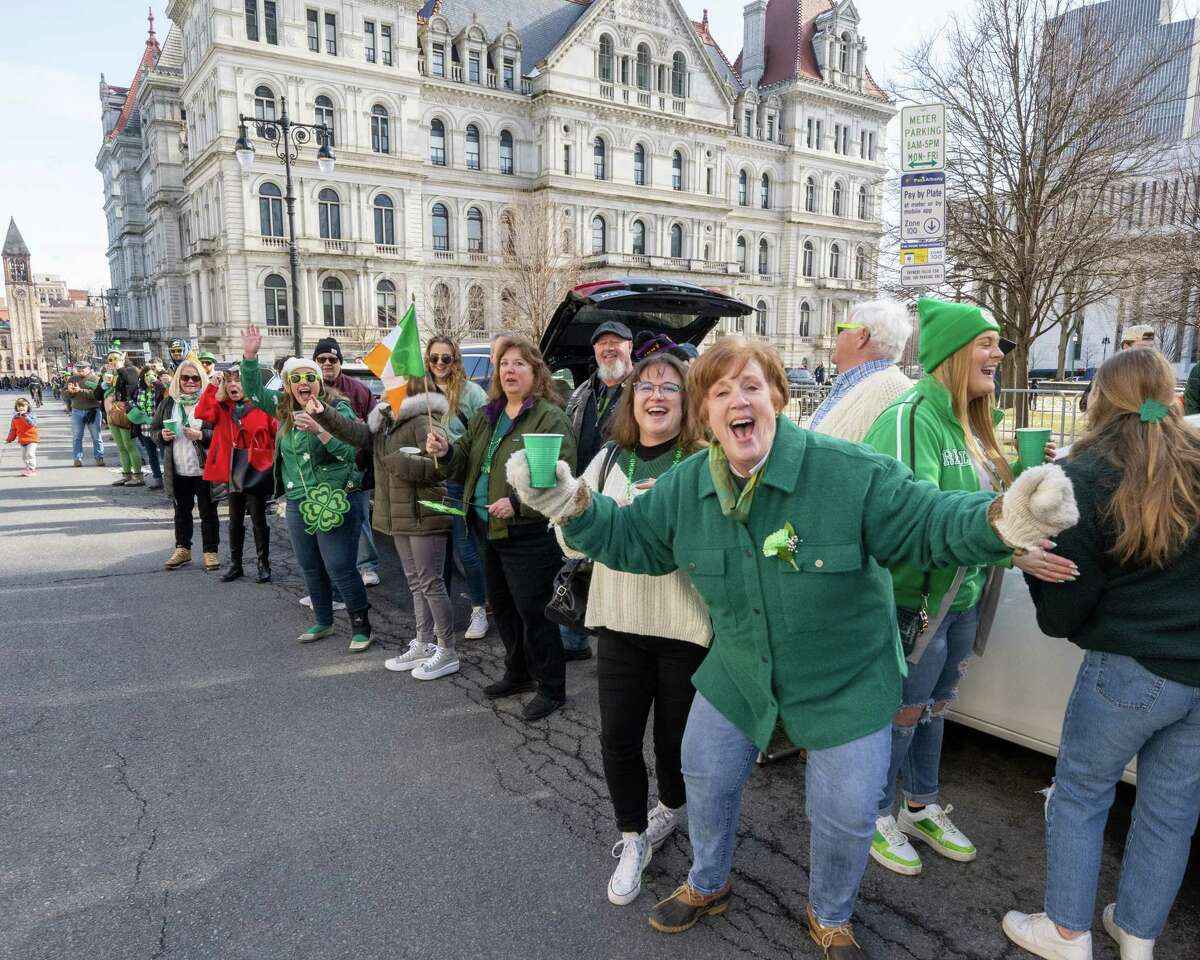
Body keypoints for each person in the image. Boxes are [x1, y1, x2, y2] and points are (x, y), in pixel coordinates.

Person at [504, 336, 1079, 959]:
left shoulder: (847, 471)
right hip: (740, 670)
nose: (737, 401)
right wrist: (570, 504)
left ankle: (831, 916)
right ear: (706, 415)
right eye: (720, 392)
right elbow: (633, 539)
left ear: (778, 397)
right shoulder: (687, 484)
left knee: (847, 813)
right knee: (703, 771)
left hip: (846, 682)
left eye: (751, 386)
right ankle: (708, 881)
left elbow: (927, 520)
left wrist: (1005, 518)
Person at [862, 298, 1073, 878]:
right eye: (986, 342)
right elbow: (913, 520)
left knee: (935, 707)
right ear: (952, 351)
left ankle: (920, 805)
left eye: (999, 342)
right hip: (916, 599)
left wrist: (1026, 478)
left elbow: (992, 504)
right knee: (904, 711)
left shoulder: (974, 421)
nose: (998, 353)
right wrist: (1011, 545)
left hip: (964, 597)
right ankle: (875, 812)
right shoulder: (910, 418)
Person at [1002, 348, 1200, 960]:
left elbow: (1064, 612)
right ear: (1171, 395)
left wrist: (1027, 564)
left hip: (1127, 671)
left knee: (1082, 796)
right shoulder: (1194, 461)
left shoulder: (1084, 478)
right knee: (1170, 812)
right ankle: (1138, 936)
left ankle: (1066, 932)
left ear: (1098, 398)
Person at [555, 351, 712, 906]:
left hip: (684, 630)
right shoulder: (606, 460)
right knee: (617, 740)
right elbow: (573, 544)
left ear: (686, 401)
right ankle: (632, 837)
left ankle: (669, 808)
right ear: (632, 398)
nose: (656, 396)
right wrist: (562, 506)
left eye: (671, 388)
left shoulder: (702, 461)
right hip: (619, 624)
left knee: (675, 746)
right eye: (646, 386)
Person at [425, 334, 578, 721]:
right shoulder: (489, 414)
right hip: (486, 526)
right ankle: (519, 673)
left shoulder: (548, 416)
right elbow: (463, 460)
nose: (509, 370)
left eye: (519, 364)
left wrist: (518, 502)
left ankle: (551, 688)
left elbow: (560, 478)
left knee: (535, 612)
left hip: (527, 534)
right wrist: (445, 451)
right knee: (505, 608)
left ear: (535, 372)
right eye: (504, 364)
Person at [312, 378, 461, 680]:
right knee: (416, 583)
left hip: (424, 514)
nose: (385, 389)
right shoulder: (385, 420)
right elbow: (356, 434)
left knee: (431, 583)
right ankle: (424, 642)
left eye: (394, 384)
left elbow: (439, 469)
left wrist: (394, 461)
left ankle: (447, 650)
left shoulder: (423, 420)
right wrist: (323, 412)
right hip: (401, 515)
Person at [239, 326, 372, 652]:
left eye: (309, 377)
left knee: (339, 565)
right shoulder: (284, 409)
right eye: (296, 379)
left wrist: (321, 428)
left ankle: (361, 627)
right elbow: (254, 391)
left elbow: (351, 453)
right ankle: (323, 620)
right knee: (310, 564)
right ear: (287, 386)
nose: (303, 384)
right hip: (298, 499)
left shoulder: (336, 408)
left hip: (336, 495)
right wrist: (250, 357)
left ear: (318, 381)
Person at [561, 320, 635, 660]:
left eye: (616, 342)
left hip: (624, 493)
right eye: (602, 343)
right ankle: (574, 641)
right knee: (575, 566)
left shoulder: (642, 389)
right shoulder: (582, 392)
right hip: (583, 491)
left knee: (616, 570)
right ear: (594, 351)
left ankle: (618, 644)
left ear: (630, 347)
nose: (609, 348)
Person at [426, 336, 491, 641]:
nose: (439, 364)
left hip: (459, 478)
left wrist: (452, 449)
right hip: (427, 480)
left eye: (446, 358)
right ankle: (444, 616)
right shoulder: (419, 393)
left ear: (455, 361)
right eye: (434, 359)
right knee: (437, 553)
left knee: (465, 549)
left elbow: (486, 438)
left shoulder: (472, 393)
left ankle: (479, 609)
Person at [195, 365, 278, 584]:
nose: (233, 384)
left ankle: (263, 564)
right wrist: (212, 386)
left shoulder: (262, 406)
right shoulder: (223, 407)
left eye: (238, 380)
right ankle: (236, 564)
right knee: (234, 520)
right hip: (233, 470)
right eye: (229, 381)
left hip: (256, 470)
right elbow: (202, 413)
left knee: (259, 518)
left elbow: (277, 432)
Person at [311, 336, 381, 590]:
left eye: (332, 359)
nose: (327, 363)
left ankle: (367, 566)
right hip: (321, 473)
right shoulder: (307, 388)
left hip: (354, 468)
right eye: (321, 359)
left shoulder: (358, 390)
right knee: (327, 521)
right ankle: (334, 572)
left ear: (340, 361)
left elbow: (375, 426)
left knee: (360, 519)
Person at [809, 300, 914, 441]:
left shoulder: (890, 390)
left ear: (862, 336)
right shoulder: (854, 384)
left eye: (841, 329)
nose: (836, 337)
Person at [152, 359, 219, 571]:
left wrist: (201, 434)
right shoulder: (169, 403)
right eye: (185, 377)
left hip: (204, 468)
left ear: (202, 379)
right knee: (182, 511)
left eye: (195, 378)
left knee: (208, 512)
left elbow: (224, 434)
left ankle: (210, 552)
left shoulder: (211, 402)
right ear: (178, 380)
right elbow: (154, 430)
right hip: (178, 468)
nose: (190, 382)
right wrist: (162, 435)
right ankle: (183, 549)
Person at [99, 349, 145, 487]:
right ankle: (126, 475)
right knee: (120, 447)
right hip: (112, 413)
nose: (113, 362)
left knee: (129, 445)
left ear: (123, 358)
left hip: (126, 411)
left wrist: (120, 368)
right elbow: (97, 395)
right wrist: (102, 386)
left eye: (116, 359)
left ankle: (138, 476)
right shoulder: (108, 374)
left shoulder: (130, 370)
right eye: (110, 360)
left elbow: (130, 381)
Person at [65, 360, 105, 467]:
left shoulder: (95, 379)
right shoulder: (72, 379)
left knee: (96, 436)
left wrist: (80, 390)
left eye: (83, 368)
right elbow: (64, 395)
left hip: (93, 410)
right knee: (77, 436)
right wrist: (70, 392)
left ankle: (99, 457)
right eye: (78, 368)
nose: (80, 370)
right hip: (77, 410)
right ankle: (77, 458)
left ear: (89, 369)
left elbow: (97, 395)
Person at [131, 366, 165, 490]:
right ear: (142, 378)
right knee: (152, 456)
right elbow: (132, 403)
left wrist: (155, 381)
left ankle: (169, 479)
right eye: (148, 376)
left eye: (154, 376)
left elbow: (164, 389)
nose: (151, 379)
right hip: (145, 429)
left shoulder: (159, 390)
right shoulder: (138, 391)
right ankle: (157, 479)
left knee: (164, 456)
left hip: (160, 429)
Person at [7, 397, 40, 476]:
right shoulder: (15, 418)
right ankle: (28, 468)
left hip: (32, 439)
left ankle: (32, 469)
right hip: (22, 440)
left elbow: (33, 424)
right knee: (24, 456)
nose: (21, 408)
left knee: (30, 454)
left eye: (23, 406)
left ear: (28, 407)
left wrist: (25, 416)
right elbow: (13, 429)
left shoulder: (31, 416)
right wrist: (10, 439)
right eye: (19, 406)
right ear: (16, 408)